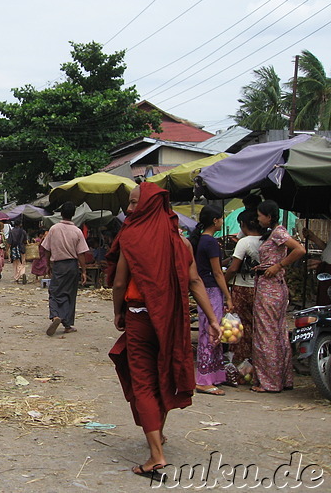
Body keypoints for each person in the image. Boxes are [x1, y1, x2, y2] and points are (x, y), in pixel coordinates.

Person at [107, 182, 222, 482]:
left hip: (140, 318)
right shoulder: (180, 242)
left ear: (147, 206)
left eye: (134, 203)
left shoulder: (131, 237)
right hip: (171, 320)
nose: (130, 209)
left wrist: (118, 312)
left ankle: (156, 454)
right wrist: (213, 320)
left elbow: (120, 284)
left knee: (144, 382)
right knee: (165, 375)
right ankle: (159, 432)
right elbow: (195, 282)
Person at [250, 200, 306, 393]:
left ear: (269, 216)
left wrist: (279, 265)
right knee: (277, 332)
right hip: (271, 286)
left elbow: (299, 249)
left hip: (270, 288)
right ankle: (281, 378)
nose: (258, 219)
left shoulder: (278, 232)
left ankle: (270, 382)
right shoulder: (274, 233)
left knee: (267, 333)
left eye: (260, 215)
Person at [188, 205, 233, 396]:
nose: (222, 222)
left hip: (203, 288)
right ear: (215, 221)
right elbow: (217, 272)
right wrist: (229, 296)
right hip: (212, 289)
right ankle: (204, 379)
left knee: (211, 331)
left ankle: (214, 374)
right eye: (221, 219)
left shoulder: (200, 241)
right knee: (211, 333)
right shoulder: (211, 243)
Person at [42, 202, 89, 336]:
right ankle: (67, 324)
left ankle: (56, 315)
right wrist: (84, 270)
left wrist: (48, 265)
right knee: (70, 294)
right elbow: (81, 253)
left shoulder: (54, 229)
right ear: (73, 214)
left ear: (61, 213)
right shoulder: (77, 231)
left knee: (55, 291)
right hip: (72, 265)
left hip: (59, 265)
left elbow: (46, 249)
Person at [224, 211, 263, 365]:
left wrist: (223, 281)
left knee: (240, 328)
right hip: (260, 288)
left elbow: (233, 268)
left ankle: (240, 364)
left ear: (243, 225)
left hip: (242, 288)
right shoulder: (266, 240)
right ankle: (257, 363)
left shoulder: (244, 242)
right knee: (257, 326)